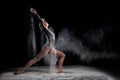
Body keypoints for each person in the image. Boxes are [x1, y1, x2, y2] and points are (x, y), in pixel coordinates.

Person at [14, 8, 65, 75]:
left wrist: (53, 50)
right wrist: (36, 13)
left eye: (45, 21)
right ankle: (22, 70)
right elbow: (40, 21)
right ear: (43, 24)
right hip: (47, 47)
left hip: (51, 48)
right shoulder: (45, 30)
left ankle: (59, 70)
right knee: (36, 59)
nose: (45, 21)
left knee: (62, 55)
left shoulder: (48, 31)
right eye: (44, 22)